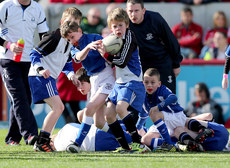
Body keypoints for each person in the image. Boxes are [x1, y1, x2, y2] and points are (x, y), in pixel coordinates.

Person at [96, 8, 150, 154]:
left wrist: (105, 54)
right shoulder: (112, 39)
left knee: (120, 109)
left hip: (132, 81)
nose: (118, 29)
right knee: (109, 114)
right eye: (114, 26)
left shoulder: (130, 37)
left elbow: (121, 62)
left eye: (120, 25)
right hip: (119, 83)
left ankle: (139, 144)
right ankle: (126, 147)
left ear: (127, 24)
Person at [28, 7, 82, 152]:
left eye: (75, 23)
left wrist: (72, 76)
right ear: (61, 22)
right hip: (40, 76)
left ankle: (41, 142)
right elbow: (34, 54)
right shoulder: (54, 36)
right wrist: (40, 69)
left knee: (58, 108)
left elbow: (67, 63)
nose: (72, 26)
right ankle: (42, 142)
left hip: (47, 77)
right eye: (69, 22)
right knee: (59, 107)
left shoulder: (69, 41)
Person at [60, 20, 115, 153]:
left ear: (79, 31)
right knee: (99, 122)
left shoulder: (95, 37)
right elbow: (78, 58)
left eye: (72, 37)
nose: (71, 41)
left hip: (106, 76)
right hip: (94, 79)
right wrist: (88, 47)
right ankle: (128, 138)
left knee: (89, 109)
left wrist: (105, 51)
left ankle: (77, 143)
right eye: (68, 39)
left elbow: (111, 54)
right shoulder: (75, 47)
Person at [0, 0, 49, 145]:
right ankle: (30, 135)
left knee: (25, 99)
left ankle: (13, 138)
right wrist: (8, 45)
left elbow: (44, 36)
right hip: (7, 59)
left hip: (29, 61)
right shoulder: (5, 6)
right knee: (19, 97)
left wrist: (42, 59)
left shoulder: (37, 8)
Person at [137, 68, 204, 151]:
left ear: (159, 83)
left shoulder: (162, 90)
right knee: (145, 140)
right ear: (143, 83)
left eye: (152, 82)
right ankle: (175, 145)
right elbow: (143, 114)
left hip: (176, 117)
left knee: (154, 114)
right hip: (163, 122)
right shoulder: (144, 96)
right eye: (146, 82)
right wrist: (137, 127)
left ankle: (168, 144)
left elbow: (173, 97)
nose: (149, 85)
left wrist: (158, 106)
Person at [126, 0, 183, 94]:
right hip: (141, 66)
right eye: (130, 11)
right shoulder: (125, 23)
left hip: (161, 62)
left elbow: (171, 41)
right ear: (126, 11)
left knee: (166, 98)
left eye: (136, 11)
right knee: (145, 101)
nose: (133, 14)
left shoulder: (155, 19)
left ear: (143, 10)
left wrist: (176, 64)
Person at [51, 122, 132, 152]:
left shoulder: (59, 147)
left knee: (132, 143)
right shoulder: (66, 126)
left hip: (96, 145)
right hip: (98, 130)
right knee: (134, 131)